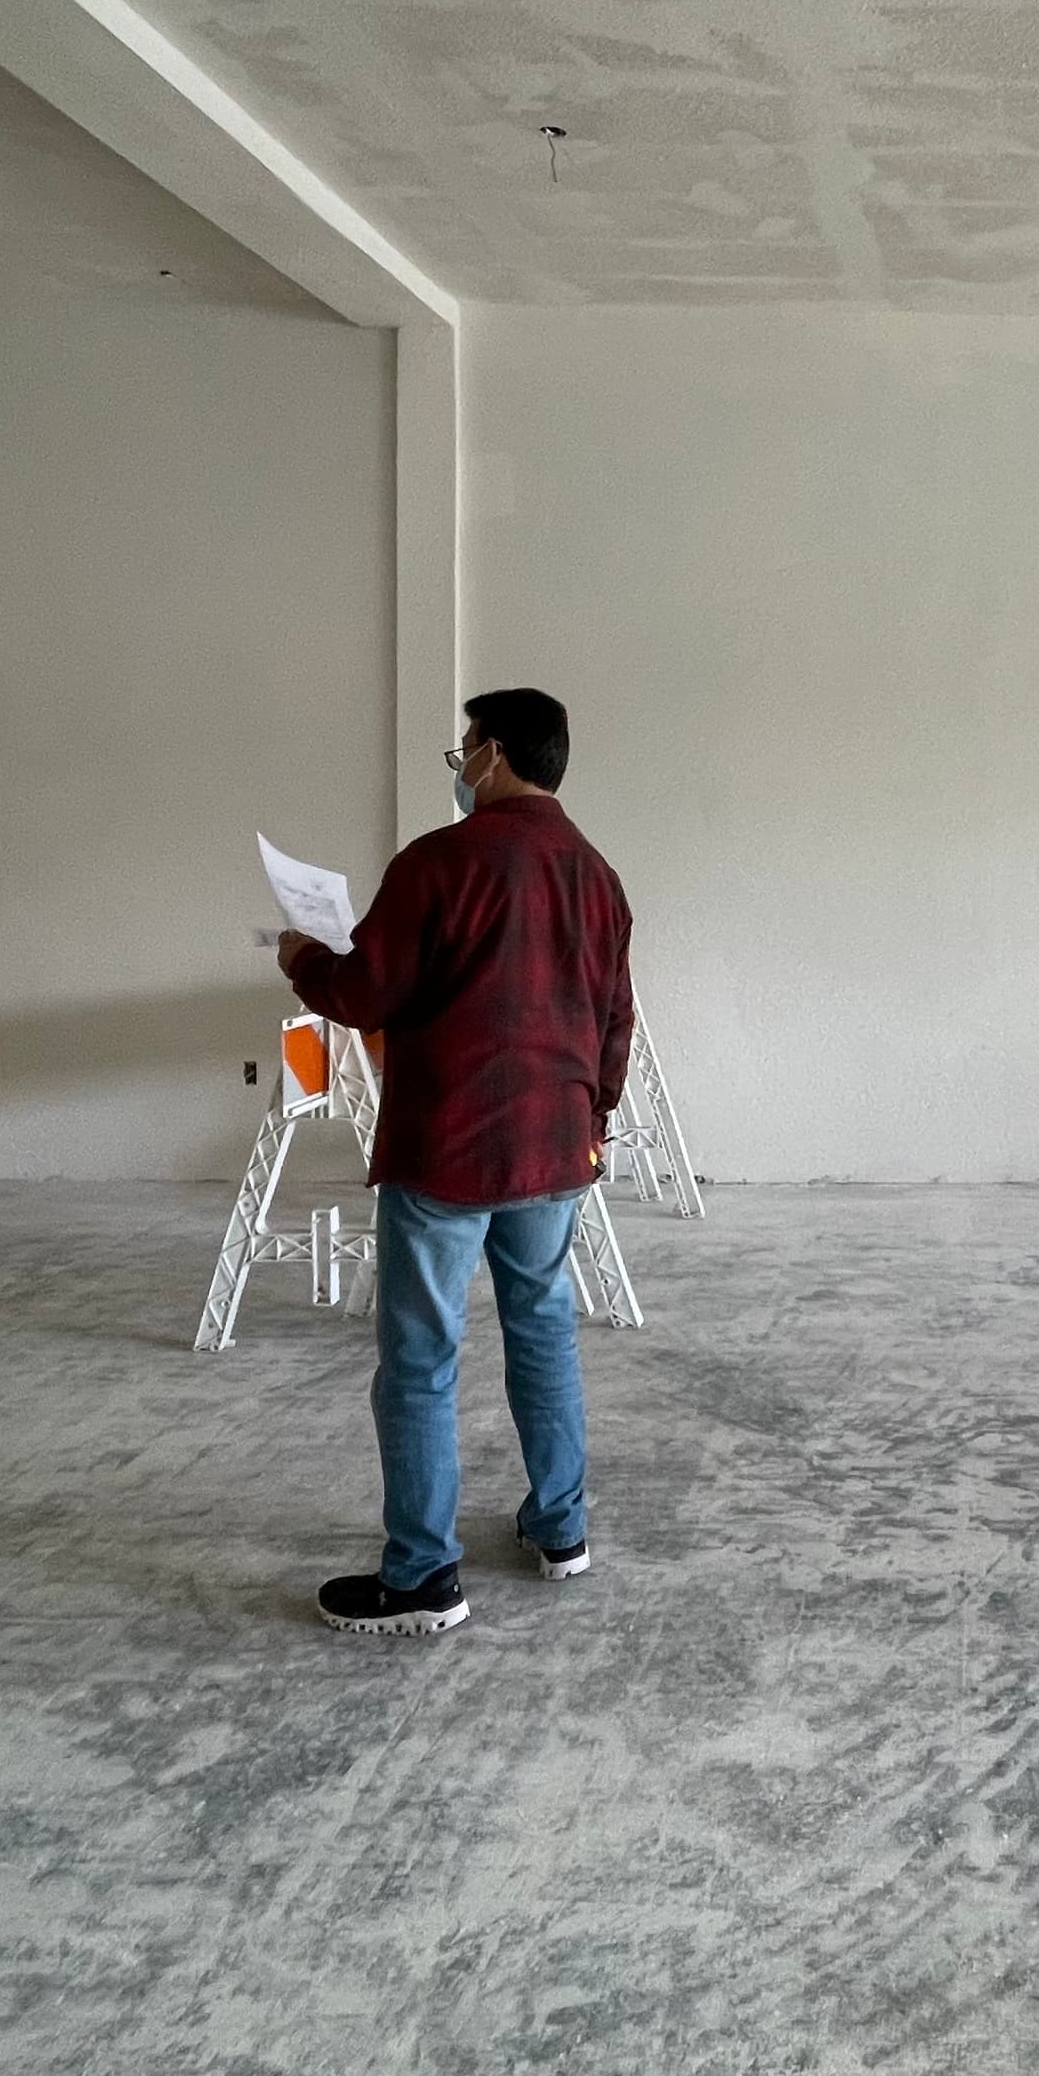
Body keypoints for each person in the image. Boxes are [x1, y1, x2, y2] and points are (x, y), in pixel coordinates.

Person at [276, 687, 636, 1633]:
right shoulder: (598, 876)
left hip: (448, 1149)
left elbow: (363, 992)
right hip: (556, 1147)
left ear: (496, 755)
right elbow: (614, 1021)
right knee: (545, 1331)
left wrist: (302, 959)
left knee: (421, 1360)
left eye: (466, 749)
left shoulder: (440, 863)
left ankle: (422, 1578)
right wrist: (591, 1118)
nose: (462, 765)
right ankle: (561, 1531)